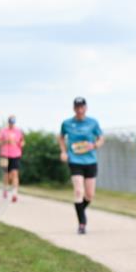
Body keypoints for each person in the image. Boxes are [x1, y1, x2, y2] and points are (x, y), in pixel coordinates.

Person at [59, 97, 104, 234]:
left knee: (89, 195)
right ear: (74, 108)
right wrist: (63, 152)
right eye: (77, 107)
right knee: (79, 191)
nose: (79, 110)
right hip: (75, 161)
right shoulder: (67, 123)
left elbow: (101, 138)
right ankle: (82, 224)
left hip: (90, 161)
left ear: (86, 108)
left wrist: (95, 145)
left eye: (82, 107)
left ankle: (80, 209)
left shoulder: (93, 122)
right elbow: (61, 137)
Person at [0, 115, 25, 202]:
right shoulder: (3, 131)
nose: (11, 124)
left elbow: (22, 141)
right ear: (8, 122)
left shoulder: (18, 131)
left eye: (13, 123)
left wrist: (21, 144)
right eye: (10, 122)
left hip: (16, 154)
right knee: (6, 175)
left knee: (15, 173)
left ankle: (14, 194)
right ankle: (5, 188)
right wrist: (6, 141)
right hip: (4, 155)